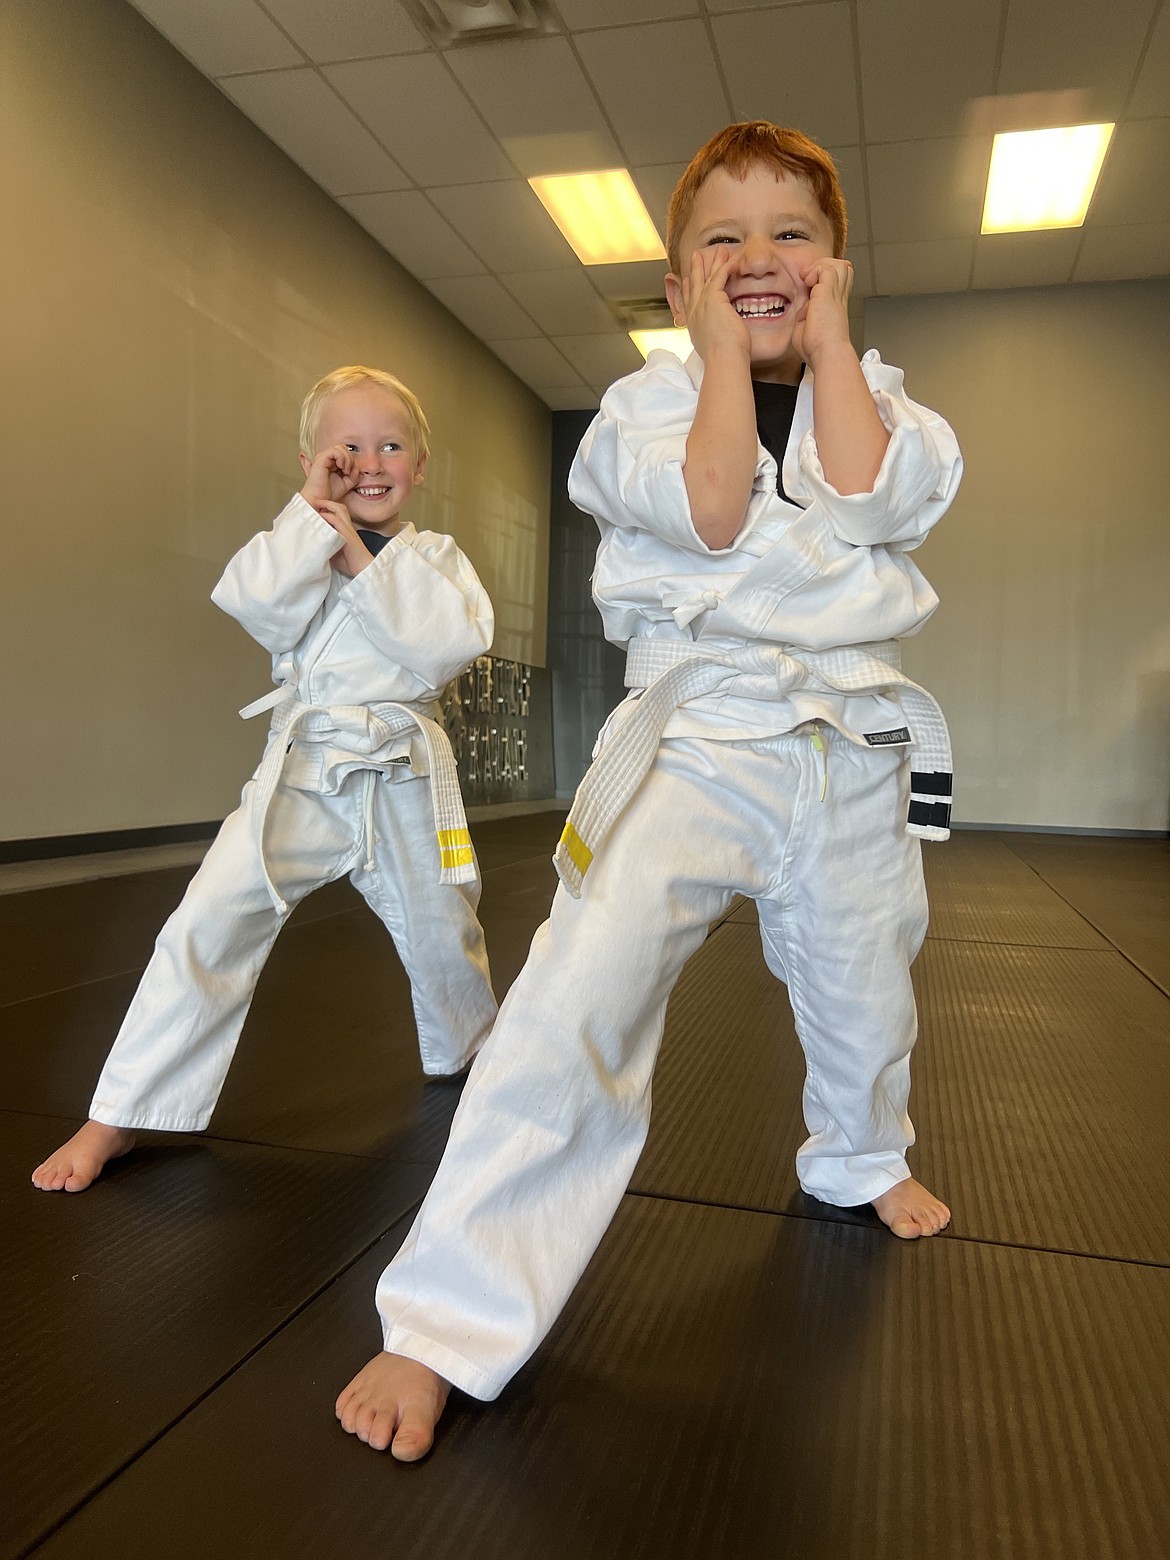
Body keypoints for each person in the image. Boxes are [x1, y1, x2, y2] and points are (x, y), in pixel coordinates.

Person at [335, 121, 963, 1461]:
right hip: (697, 742)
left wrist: (831, 341)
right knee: (575, 993)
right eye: (718, 239)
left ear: (838, 268)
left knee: (864, 979)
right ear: (675, 289)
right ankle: (447, 1320)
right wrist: (722, 354)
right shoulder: (637, 413)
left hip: (849, 749)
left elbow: (860, 488)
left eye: (791, 234)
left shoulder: (893, 408)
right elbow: (720, 508)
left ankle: (857, 1157)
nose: (757, 255)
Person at [32, 365, 497, 1194]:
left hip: (401, 776)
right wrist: (315, 522)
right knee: (205, 922)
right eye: (347, 448)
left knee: (443, 928)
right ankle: (125, 1109)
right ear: (314, 460)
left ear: (420, 466)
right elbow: (254, 604)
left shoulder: (439, 559)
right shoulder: (295, 541)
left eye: (391, 445)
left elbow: (445, 645)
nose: (371, 462)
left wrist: (356, 550)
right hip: (303, 774)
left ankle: (472, 1052)